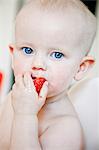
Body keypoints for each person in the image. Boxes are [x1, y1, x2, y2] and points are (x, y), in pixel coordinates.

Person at [0, 0, 96, 149]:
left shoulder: (65, 127)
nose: (37, 64)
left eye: (57, 54)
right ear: (13, 57)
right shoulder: (17, 95)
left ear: (80, 68)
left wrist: (25, 116)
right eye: (28, 50)